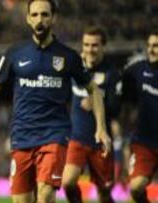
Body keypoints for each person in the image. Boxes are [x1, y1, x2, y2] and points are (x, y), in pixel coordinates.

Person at [0, 0, 111, 202]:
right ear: (27, 19)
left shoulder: (68, 57)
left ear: (54, 18)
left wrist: (101, 128)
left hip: (54, 134)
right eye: (34, 15)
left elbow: (93, 90)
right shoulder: (15, 53)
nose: (39, 20)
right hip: (22, 136)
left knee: (45, 193)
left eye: (44, 14)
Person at [61, 26, 122, 203]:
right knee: (68, 182)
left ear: (104, 46)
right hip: (76, 137)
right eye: (86, 45)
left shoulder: (112, 74)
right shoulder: (75, 68)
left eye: (94, 45)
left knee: (104, 192)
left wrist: (97, 101)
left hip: (100, 141)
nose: (89, 49)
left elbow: (116, 109)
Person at [123, 29, 158, 203]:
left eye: (156, 46)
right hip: (144, 143)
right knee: (136, 188)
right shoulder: (137, 69)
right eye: (149, 45)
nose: (151, 49)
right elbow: (121, 94)